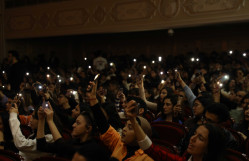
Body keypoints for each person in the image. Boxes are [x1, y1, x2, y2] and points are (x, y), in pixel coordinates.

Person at [125, 101, 226, 161]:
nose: (192, 138)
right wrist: (133, 120)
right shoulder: (187, 157)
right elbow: (151, 149)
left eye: (200, 138)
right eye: (194, 134)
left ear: (209, 148)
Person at [87, 81, 153, 161]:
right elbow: (103, 125)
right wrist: (93, 98)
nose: (124, 129)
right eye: (125, 125)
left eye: (130, 127)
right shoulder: (120, 143)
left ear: (141, 134)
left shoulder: (146, 158)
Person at [36, 102, 109, 160]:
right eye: (75, 122)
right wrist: (41, 119)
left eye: (78, 123)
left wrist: (50, 120)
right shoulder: (74, 142)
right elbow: (41, 146)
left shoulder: (93, 149)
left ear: (88, 129)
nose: (73, 125)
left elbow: (63, 146)